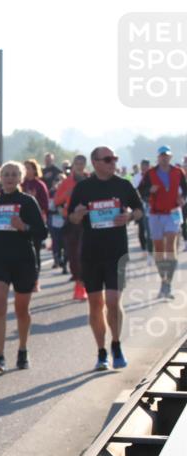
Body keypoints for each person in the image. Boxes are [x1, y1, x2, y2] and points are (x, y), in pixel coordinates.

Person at [67, 146, 144, 371]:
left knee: (112, 300)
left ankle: (116, 344)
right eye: (108, 159)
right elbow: (71, 217)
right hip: (91, 252)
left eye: (115, 159)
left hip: (116, 252)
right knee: (95, 303)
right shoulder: (83, 188)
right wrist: (78, 214)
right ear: (96, 162)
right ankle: (101, 352)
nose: (113, 162)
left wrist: (129, 216)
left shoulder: (123, 185)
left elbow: (140, 210)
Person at [0, 162, 47, 371]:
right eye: (6, 174)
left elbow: (42, 232)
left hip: (23, 260)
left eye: (13, 174)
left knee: (21, 309)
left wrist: (24, 227)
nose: (9, 178)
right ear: (0, 177)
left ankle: (22, 349)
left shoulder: (28, 202)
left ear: (20, 177)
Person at [143, 146, 187, 299]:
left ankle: (168, 284)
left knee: (170, 246)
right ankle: (163, 280)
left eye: (167, 156)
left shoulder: (178, 172)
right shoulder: (150, 173)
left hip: (173, 213)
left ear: (171, 157)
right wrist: (150, 190)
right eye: (162, 156)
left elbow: (185, 189)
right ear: (158, 157)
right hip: (155, 214)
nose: (164, 158)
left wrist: (183, 199)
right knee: (159, 249)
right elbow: (141, 191)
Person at [55, 154, 91, 300]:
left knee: (83, 253)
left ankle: (83, 286)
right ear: (73, 165)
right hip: (70, 221)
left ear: (85, 165)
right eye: (77, 163)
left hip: (86, 221)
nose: (79, 166)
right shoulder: (66, 182)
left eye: (82, 163)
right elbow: (57, 200)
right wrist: (66, 194)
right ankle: (78, 282)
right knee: (72, 254)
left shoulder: (90, 181)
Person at [22, 159, 50, 287]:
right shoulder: (20, 184)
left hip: (35, 222)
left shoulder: (39, 185)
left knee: (36, 250)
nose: (26, 170)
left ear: (34, 169)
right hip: (19, 223)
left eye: (28, 168)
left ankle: (35, 280)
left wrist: (34, 199)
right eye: (24, 167)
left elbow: (45, 204)